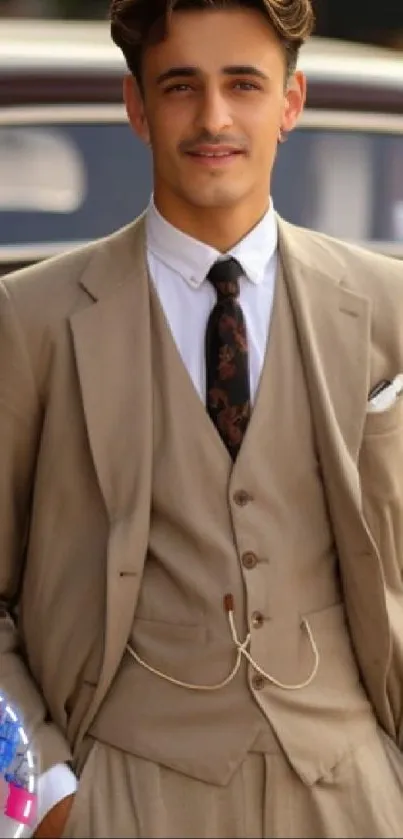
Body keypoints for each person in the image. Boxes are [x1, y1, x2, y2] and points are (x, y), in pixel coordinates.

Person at [1, 0, 403, 837]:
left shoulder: (387, 309)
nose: (213, 117)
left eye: (243, 85)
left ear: (288, 105)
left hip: (354, 792)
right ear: (137, 107)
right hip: (122, 796)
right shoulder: (28, 321)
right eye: (181, 86)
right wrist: (42, 793)